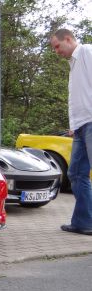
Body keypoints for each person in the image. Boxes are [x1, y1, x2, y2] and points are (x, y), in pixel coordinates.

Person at [50, 28, 92, 235]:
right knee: (75, 173)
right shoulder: (73, 65)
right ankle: (84, 222)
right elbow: (78, 97)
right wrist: (74, 125)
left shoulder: (86, 52)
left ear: (68, 39)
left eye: (57, 46)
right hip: (81, 126)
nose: (56, 51)